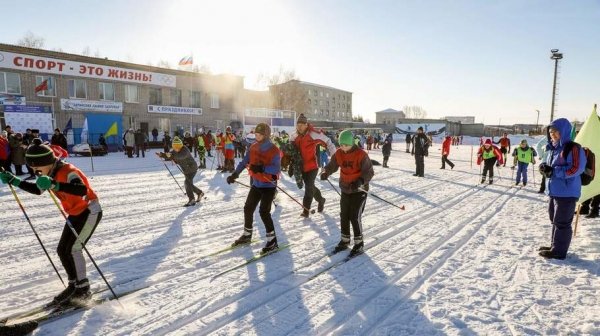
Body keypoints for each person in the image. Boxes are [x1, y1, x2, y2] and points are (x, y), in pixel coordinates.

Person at [0, 138, 102, 305]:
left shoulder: (68, 171)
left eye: (36, 167)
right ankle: (73, 285)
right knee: (62, 249)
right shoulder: (49, 172)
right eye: (32, 168)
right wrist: (15, 180)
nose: (35, 171)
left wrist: (55, 185)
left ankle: (83, 289)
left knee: (74, 249)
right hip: (75, 213)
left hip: (90, 211)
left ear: (47, 162)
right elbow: (38, 189)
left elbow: (81, 189)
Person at [226, 123, 281, 254]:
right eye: (256, 134)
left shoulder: (274, 150)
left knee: (264, 212)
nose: (256, 137)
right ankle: (247, 235)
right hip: (256, 184)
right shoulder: (253, 147)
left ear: (266, 135)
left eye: (259, 135)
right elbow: (245, 161)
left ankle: (272, 241)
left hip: (269, 186)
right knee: (248, 208)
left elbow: (276, 168)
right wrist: (235, 174)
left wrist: (262, 168)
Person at [320, 129, 374, 257]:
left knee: (354, 216)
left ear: (352, 143)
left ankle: (359, 243)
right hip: (346, 188)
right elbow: (332, 165)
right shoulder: (339, 153)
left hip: (359, 189)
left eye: (346, 145)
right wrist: (326, 172)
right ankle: (345, 240)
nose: (343, 148)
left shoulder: (361, 154)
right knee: (344, 215)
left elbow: (369, 172)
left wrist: (360, 181)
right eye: (341, 145)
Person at [538, 118, 586, 259]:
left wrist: (554, 171)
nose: (552, 134)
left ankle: (559, 251)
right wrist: (544, 167)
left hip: (567, 192)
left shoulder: (573, 148)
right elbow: (550, 166)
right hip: (555, 191)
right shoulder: (553, 148)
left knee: (562, 222)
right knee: (555, 219)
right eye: (551, 132)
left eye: (556, 132)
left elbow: (576, 168)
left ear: (563, 132)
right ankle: (555, 245)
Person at [290, 114, 337, 217]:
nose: (300, 126)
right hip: (301, 167)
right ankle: (321, 200)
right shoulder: (294, 136)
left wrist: (334, 157)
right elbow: (290, 151)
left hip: (312, 166)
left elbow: (328, 141)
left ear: (306, 125)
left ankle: (306, 210)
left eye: (302, 124)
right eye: (298, 124)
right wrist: (290, 163)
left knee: (308, 188)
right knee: (310, 187)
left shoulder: (313, 134)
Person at [155, 137, 204, 206]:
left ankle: (192, 199)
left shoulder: (185, 150)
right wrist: (162, 155)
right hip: (186, 170)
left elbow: (180, 156)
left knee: (187, 183)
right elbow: (169, 155)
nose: (176, 148)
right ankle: (199, 193)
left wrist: (171, 156)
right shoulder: (174, 151)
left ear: (181, 145)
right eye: (175, 146)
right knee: (189, 184)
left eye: (178, 146)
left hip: (192, 168)